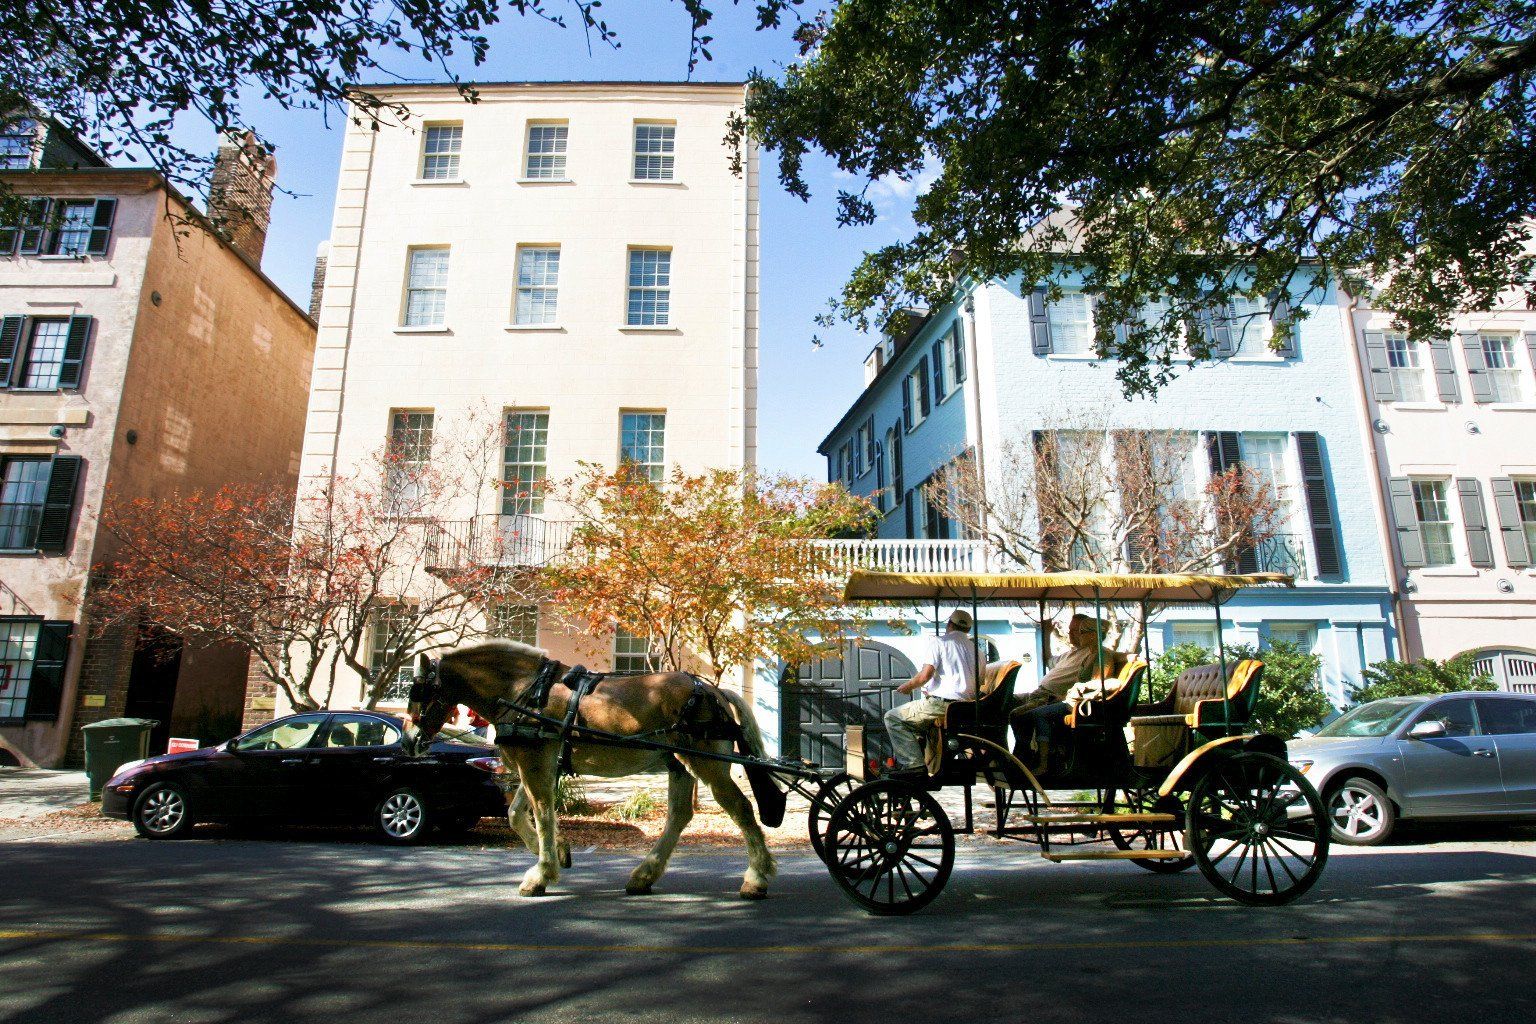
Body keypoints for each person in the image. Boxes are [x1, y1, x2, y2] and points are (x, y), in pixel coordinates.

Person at [1010, 614, 1115, 770]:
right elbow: (1049, 660)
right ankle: (1019, 756)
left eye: (1079, 631)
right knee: (1006, 703)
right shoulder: (1074, 653)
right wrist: (1046, 633)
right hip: (1041, 694)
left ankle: (1029, 759)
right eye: (1072, 630)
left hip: (1058, 698)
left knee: (1021, 715)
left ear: (1093, 635)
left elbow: (1100, 681)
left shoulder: (1099, 654)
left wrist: (1071, 693)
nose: (1071, 634)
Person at [883, 609, 978, 774]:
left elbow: (924, 676)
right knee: (915, 723)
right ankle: (928, 762)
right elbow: (977, 683)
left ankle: (914, 766)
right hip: (966, 708)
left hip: (942, 706)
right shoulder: (978, 651)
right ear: (968, 629)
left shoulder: (939, 642)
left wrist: (908, 686)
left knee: (893, 717)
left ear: (949, 624)